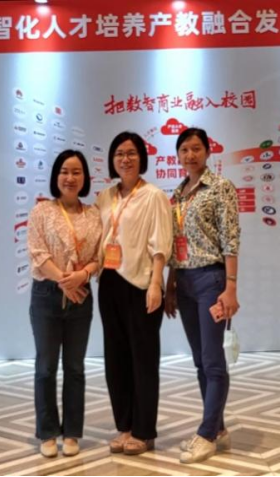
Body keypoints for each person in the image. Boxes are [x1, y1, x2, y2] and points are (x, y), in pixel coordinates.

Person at [165, 127, 241, 464]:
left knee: (213, 361)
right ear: (178, 155)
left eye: (196, 148)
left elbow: (231, 238)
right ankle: (218, 428)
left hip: (211, 279)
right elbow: (173, 246)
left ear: (208, 152)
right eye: (184, 149)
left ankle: (207, 434)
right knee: (199, 360)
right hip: (184, 282)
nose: (190, 155)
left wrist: (231, 286)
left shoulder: (221, 187)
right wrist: (170, 285)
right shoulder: (177, 194)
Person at [96, 131, 173, 456]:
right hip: (109, 281)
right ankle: (124, 426)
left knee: (143, 360)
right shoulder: (105, 196)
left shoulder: (154, 196)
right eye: (119, 154)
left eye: (131, 153)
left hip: (141, 283)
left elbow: (161, 244)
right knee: (115, 359)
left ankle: (143, 431)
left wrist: (156, 283)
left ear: (142, 157)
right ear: (112, 160)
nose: (125, 159)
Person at [27, 149, 102, 458]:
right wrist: (63, 281)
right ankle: (47, 432)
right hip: (47, 295)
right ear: (56, 176)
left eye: (76, 172)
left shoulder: (94, 214)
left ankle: (71, 432)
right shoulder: (41, 212)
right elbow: (37, 254)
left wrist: (82, 275)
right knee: (46, 367)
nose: (70, 178)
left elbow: (101, 256)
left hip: (81, 295)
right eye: (64, 172)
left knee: (75, 367)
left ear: (85, 178)